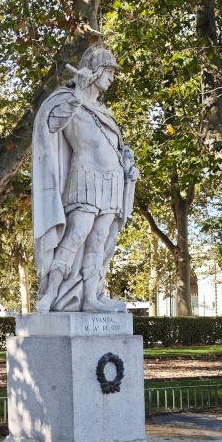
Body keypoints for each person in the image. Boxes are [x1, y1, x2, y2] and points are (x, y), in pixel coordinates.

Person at [32, 40, 139, 313]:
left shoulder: (106, 112)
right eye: (109, 72)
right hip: (85, 176)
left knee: (99, 238)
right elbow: (51, 124)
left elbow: (114, 149)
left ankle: (91, 296)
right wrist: (78, 91)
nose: (112, 78)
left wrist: (128, 168)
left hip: (113, 180)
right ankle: (50, 294)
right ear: (96, 70)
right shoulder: (69, 100)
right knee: (77, 232)